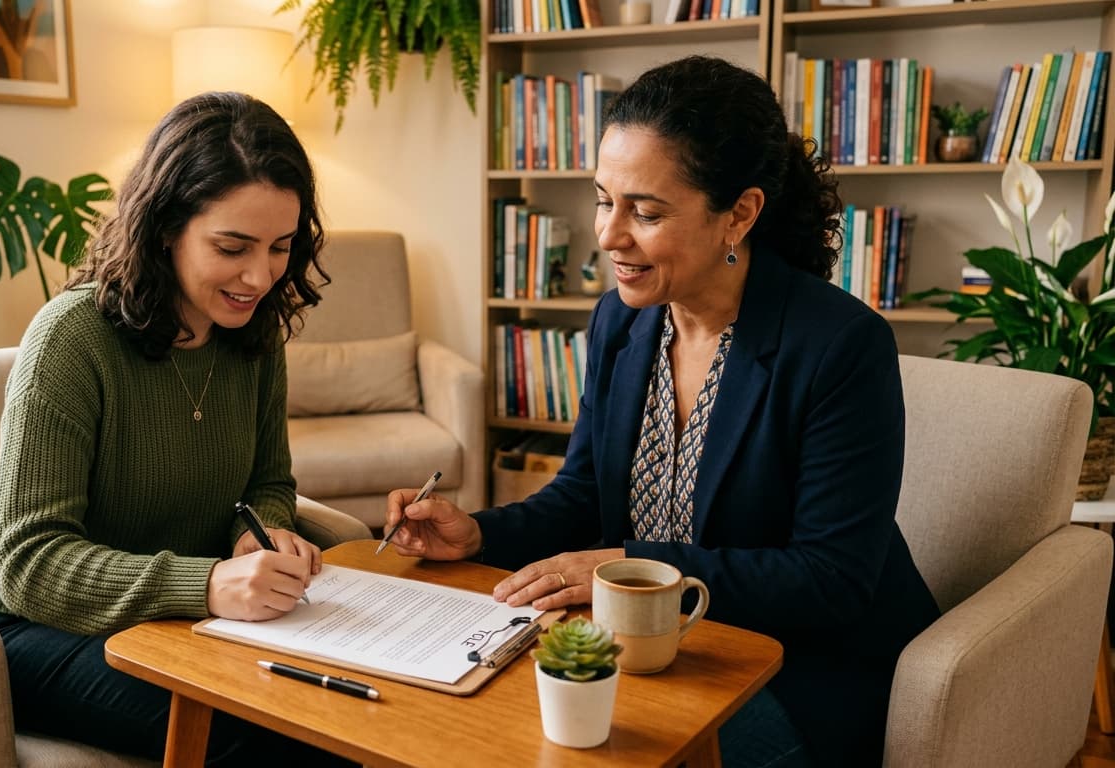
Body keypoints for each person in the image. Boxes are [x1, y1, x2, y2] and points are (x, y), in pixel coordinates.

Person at [384, 56, 940, 768]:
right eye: (603, 200)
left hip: (802, 667)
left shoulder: (841, 346)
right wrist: (476, 534)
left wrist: (636, 566)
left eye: (645, 212)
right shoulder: (621, 321)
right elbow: (584, 494)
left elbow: (830, 580)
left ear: (739, 214)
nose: (609, 236)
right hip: (655, 645)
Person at [0, 92, 351, 765]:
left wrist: (259, 529)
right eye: (232, 247)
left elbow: (268, 479)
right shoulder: (70, 340)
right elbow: (28, 560)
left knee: (345, 711)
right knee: (269, 734)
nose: (260, 276)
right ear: (166, 227)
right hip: (36, 627)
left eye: (281, 247)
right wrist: (204, 586)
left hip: (178, 620)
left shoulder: (254, 335)